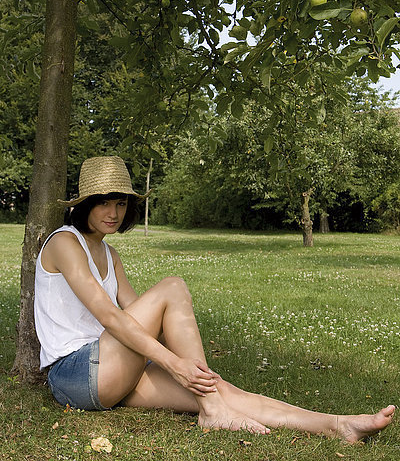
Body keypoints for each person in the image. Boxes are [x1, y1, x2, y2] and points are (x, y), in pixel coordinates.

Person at [34, 156, 395, 442]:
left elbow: (136, 314)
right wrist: (175, 365)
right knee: (173, 287)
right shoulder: (64, 242)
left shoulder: (110, 255)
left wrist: (190, 371)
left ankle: (337, 426)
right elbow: (113, 318)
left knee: (217, 389)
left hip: (109, 371)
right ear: (84, 205)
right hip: (75, 374)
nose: (113, 214)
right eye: (103, 204)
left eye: (121, 204)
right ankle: (211, 410)